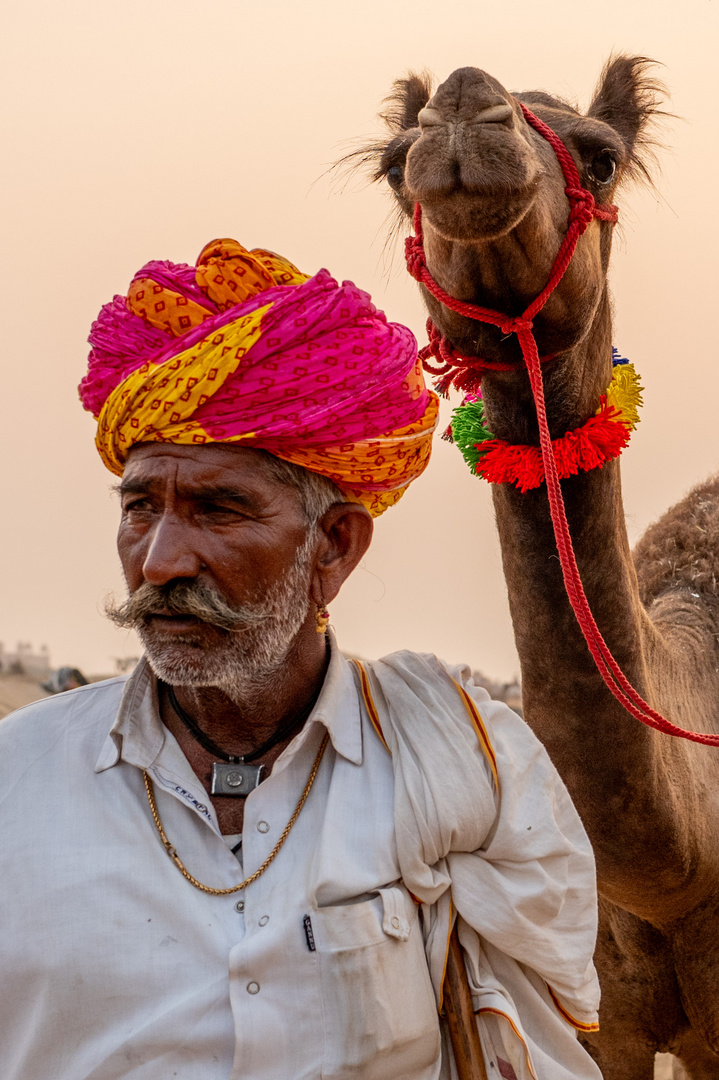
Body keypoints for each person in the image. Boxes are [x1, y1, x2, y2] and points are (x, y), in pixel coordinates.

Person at [0, 239, 602, 1080]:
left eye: (218, 508)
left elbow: (530, 1055)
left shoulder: (462, 770)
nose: (162, 558)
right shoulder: (16, 783)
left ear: (334, 545)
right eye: (141, 508)